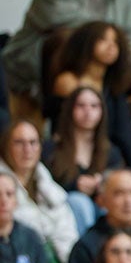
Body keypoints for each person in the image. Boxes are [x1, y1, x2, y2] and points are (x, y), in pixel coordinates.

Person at [2, 0, 131, 102]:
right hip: (36, 63)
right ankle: (57, 110)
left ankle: (112, 113)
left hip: (105, 73)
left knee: (125, 59)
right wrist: (102, 38)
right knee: (65, 39)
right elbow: (57, 17)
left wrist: (120, 52)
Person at [45, 21, 131, 170]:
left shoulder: (114, 86)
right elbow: (60, 125)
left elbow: (124, 131)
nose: (111, 47)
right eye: (103, 40)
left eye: (115, 42)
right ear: (86, 43)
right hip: (71, 153)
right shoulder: (68, 81)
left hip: (106, 153)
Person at [0, 121, 82, 263]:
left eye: (33, 142)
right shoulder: (2, 187)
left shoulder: (48, 186)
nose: (27, 149)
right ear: (6, 147)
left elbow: (67, 232)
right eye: (19, 142)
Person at [44, 86, 123, 217]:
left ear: (102, 111)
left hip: (102, 211)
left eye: (94, 106)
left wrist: (102, 184)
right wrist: (75, 186)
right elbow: (44, 186)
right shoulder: (51, 148)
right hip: (64, 212)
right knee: (79, 201)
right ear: (70, 109)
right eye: (81, 105)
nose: (88, 111)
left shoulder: (111, 151)